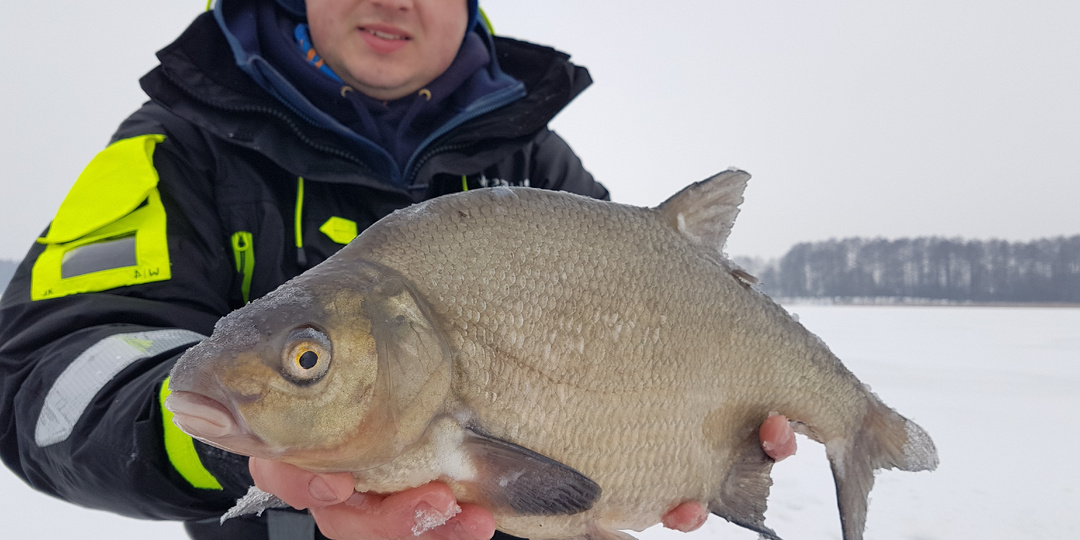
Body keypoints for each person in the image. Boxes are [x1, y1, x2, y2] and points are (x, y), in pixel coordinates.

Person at [0, 1, 796, 539]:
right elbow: (47, 380)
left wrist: (691, 428)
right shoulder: (174, 148)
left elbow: (645, 331)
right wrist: (241, 444)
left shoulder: (536, 160)